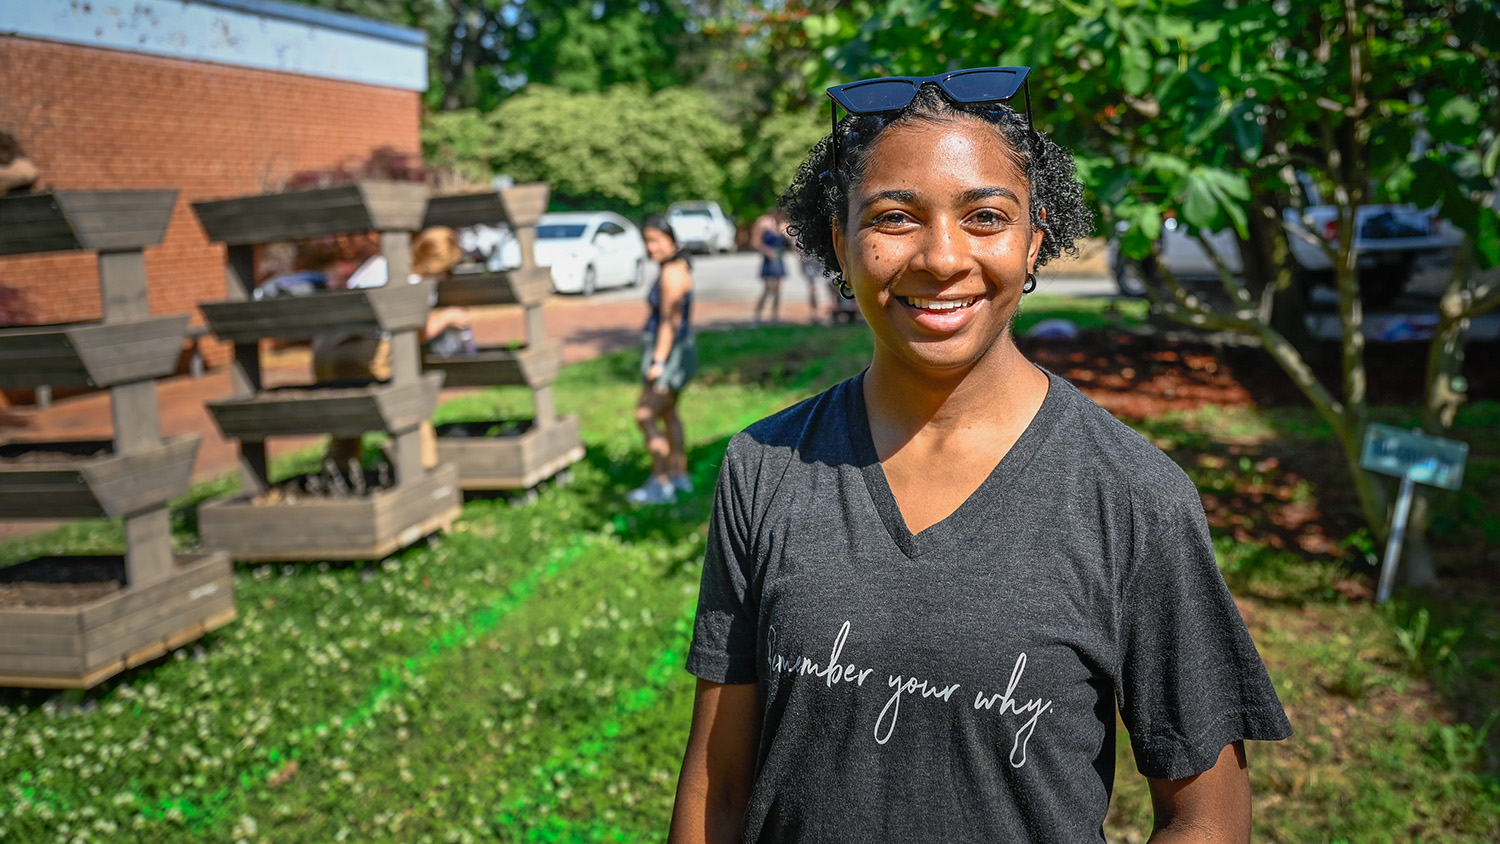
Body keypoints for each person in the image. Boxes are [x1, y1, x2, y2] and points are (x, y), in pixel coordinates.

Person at [669, 67, 1292, 843]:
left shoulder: (1132, 495)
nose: (941, 257)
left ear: (1034, 240)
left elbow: (1208, 811)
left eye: (985, 217)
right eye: (894, 217)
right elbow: (716, 786)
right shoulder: (764, 467)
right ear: (840, 242)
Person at [312, 226, 472, 472]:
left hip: (328, 350)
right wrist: (448, 317)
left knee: (348, 418)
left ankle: (338, 472)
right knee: (412, 407)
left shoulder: (378, 263)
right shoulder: (416, 283)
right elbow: (418, 333)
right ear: (438, 265)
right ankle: (422, 472)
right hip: (369, 354)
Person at [628, 216, 697, 505]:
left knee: (644, 416)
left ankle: (661, 482)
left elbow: (670, 322)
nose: (650, 247)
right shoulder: (681, 267)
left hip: (668, 354)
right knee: (669, 415)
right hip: (681, 351)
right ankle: (680, 475)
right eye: (647, 240)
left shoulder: (670, 273)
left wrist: (658, 362)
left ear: (671, 239)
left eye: (656, 240)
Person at [750, 209, 789, 326]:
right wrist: (767, 251)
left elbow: (793, 239)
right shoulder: (763, 223)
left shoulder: (783, 224)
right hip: (769, 258)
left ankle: (775, 316)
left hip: (778, 258)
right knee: (767, 288)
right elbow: (755, 242)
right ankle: (757, 316)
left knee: (778, 288)